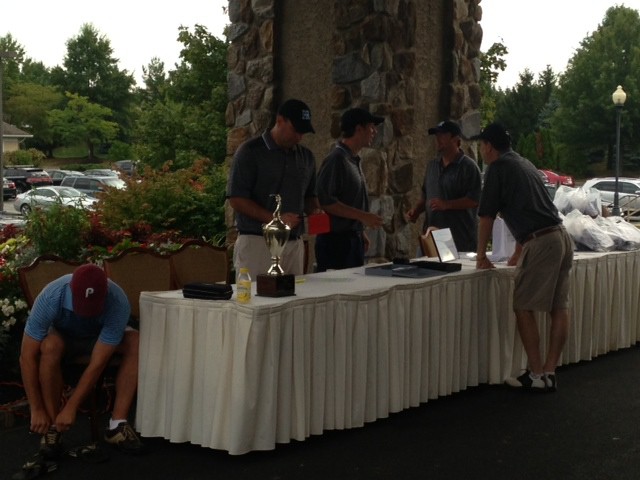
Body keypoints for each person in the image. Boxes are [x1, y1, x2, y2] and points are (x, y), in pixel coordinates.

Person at [472, 123, 574, 392]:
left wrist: (481, 255)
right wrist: (518, 251)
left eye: (481, 145)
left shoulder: (497, 169)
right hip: (560, 236)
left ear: (488, 146)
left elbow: (486, 216)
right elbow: (528, 206)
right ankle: (549, 372)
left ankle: (537, 374)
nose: (481, 150)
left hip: (541, 242)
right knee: (559, 307)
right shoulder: (524, 164)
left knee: (522, 305)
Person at [18, 264, 144, 473]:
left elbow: (98, 362)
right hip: (63, 337)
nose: (87, 313)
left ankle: (117, 425)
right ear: (70, 291)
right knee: (49, 346)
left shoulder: (117, 301)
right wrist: (36, 408)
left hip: (97, 339)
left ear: (105, 294)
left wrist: (72, 407)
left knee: (136, 341)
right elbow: (27, 357)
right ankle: (53, 427)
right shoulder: (51, 296)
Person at [227, 98, 321, 277]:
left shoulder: (307, 157)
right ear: (280, 121)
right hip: (257, 242)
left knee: (295, 295)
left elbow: (310, 195)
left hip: (293, 244)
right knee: (254, 294)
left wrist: (315, 210)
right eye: (296, 130)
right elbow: (237, 199)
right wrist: (276, 220)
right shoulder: (250, 151)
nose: (299, 137)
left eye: (303, 132)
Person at [315, 108, 384, 271]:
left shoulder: (352, 159)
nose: (374, 132)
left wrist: (359, 231)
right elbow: (326, 201)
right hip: (336, 243)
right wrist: (362, 216)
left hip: (351, 240)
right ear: (358, 129)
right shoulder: (336, 159)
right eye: (371, 127)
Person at [406, 120, 482, 253]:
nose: (438, 139)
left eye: (442, 135)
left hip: (459, 242)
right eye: (437, 135)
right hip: (431, 240)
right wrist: (416, 211)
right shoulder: (432, 166)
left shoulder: (469, 167)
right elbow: (426, 196)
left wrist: (447, 204)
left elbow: (474, 200)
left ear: (455, 140)